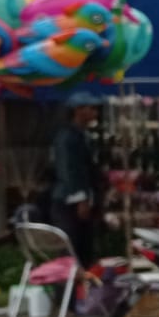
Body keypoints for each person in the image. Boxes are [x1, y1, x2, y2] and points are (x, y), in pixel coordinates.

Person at [50, 94, 101, 267]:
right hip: (68, 202)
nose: (95, 112)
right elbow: (67, 169)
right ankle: (66, 292)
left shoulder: (82, 135)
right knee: (70, 250)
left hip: (84, 198)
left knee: (85, 250)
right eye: (91, 108)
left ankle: (85, 290)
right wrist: (81, 198)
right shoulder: (66, 136)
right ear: (78, 110)